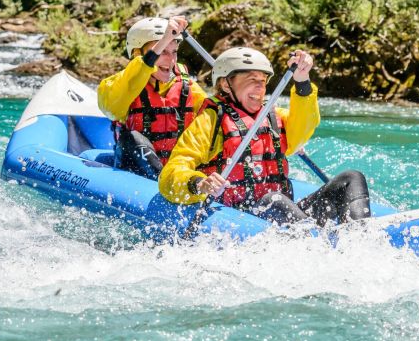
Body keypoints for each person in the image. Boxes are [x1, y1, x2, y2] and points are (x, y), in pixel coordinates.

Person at [159, 46, 371, 226]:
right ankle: (315, 245)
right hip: (241, 216)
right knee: (275, 200)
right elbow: (171, 173)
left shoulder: (273, 117)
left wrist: (302, 80)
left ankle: (358, 240)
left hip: (285, 215)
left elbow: (305, 125)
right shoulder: (210, 121)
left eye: (263, 81)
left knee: (351, 178)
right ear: (225, 84)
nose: (260, 88)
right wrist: (200, 183)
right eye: (252, 80)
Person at [98, 16, 207, 179]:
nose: (170, 60)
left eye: (174, 52)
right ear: (136, 53)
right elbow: (113, 104)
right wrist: (165, 38)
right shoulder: (117, 86)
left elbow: (214, 120)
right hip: (133, 170)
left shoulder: (188, 86)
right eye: (162, 50)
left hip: (176, 174)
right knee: (133, 138)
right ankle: (162, 181)